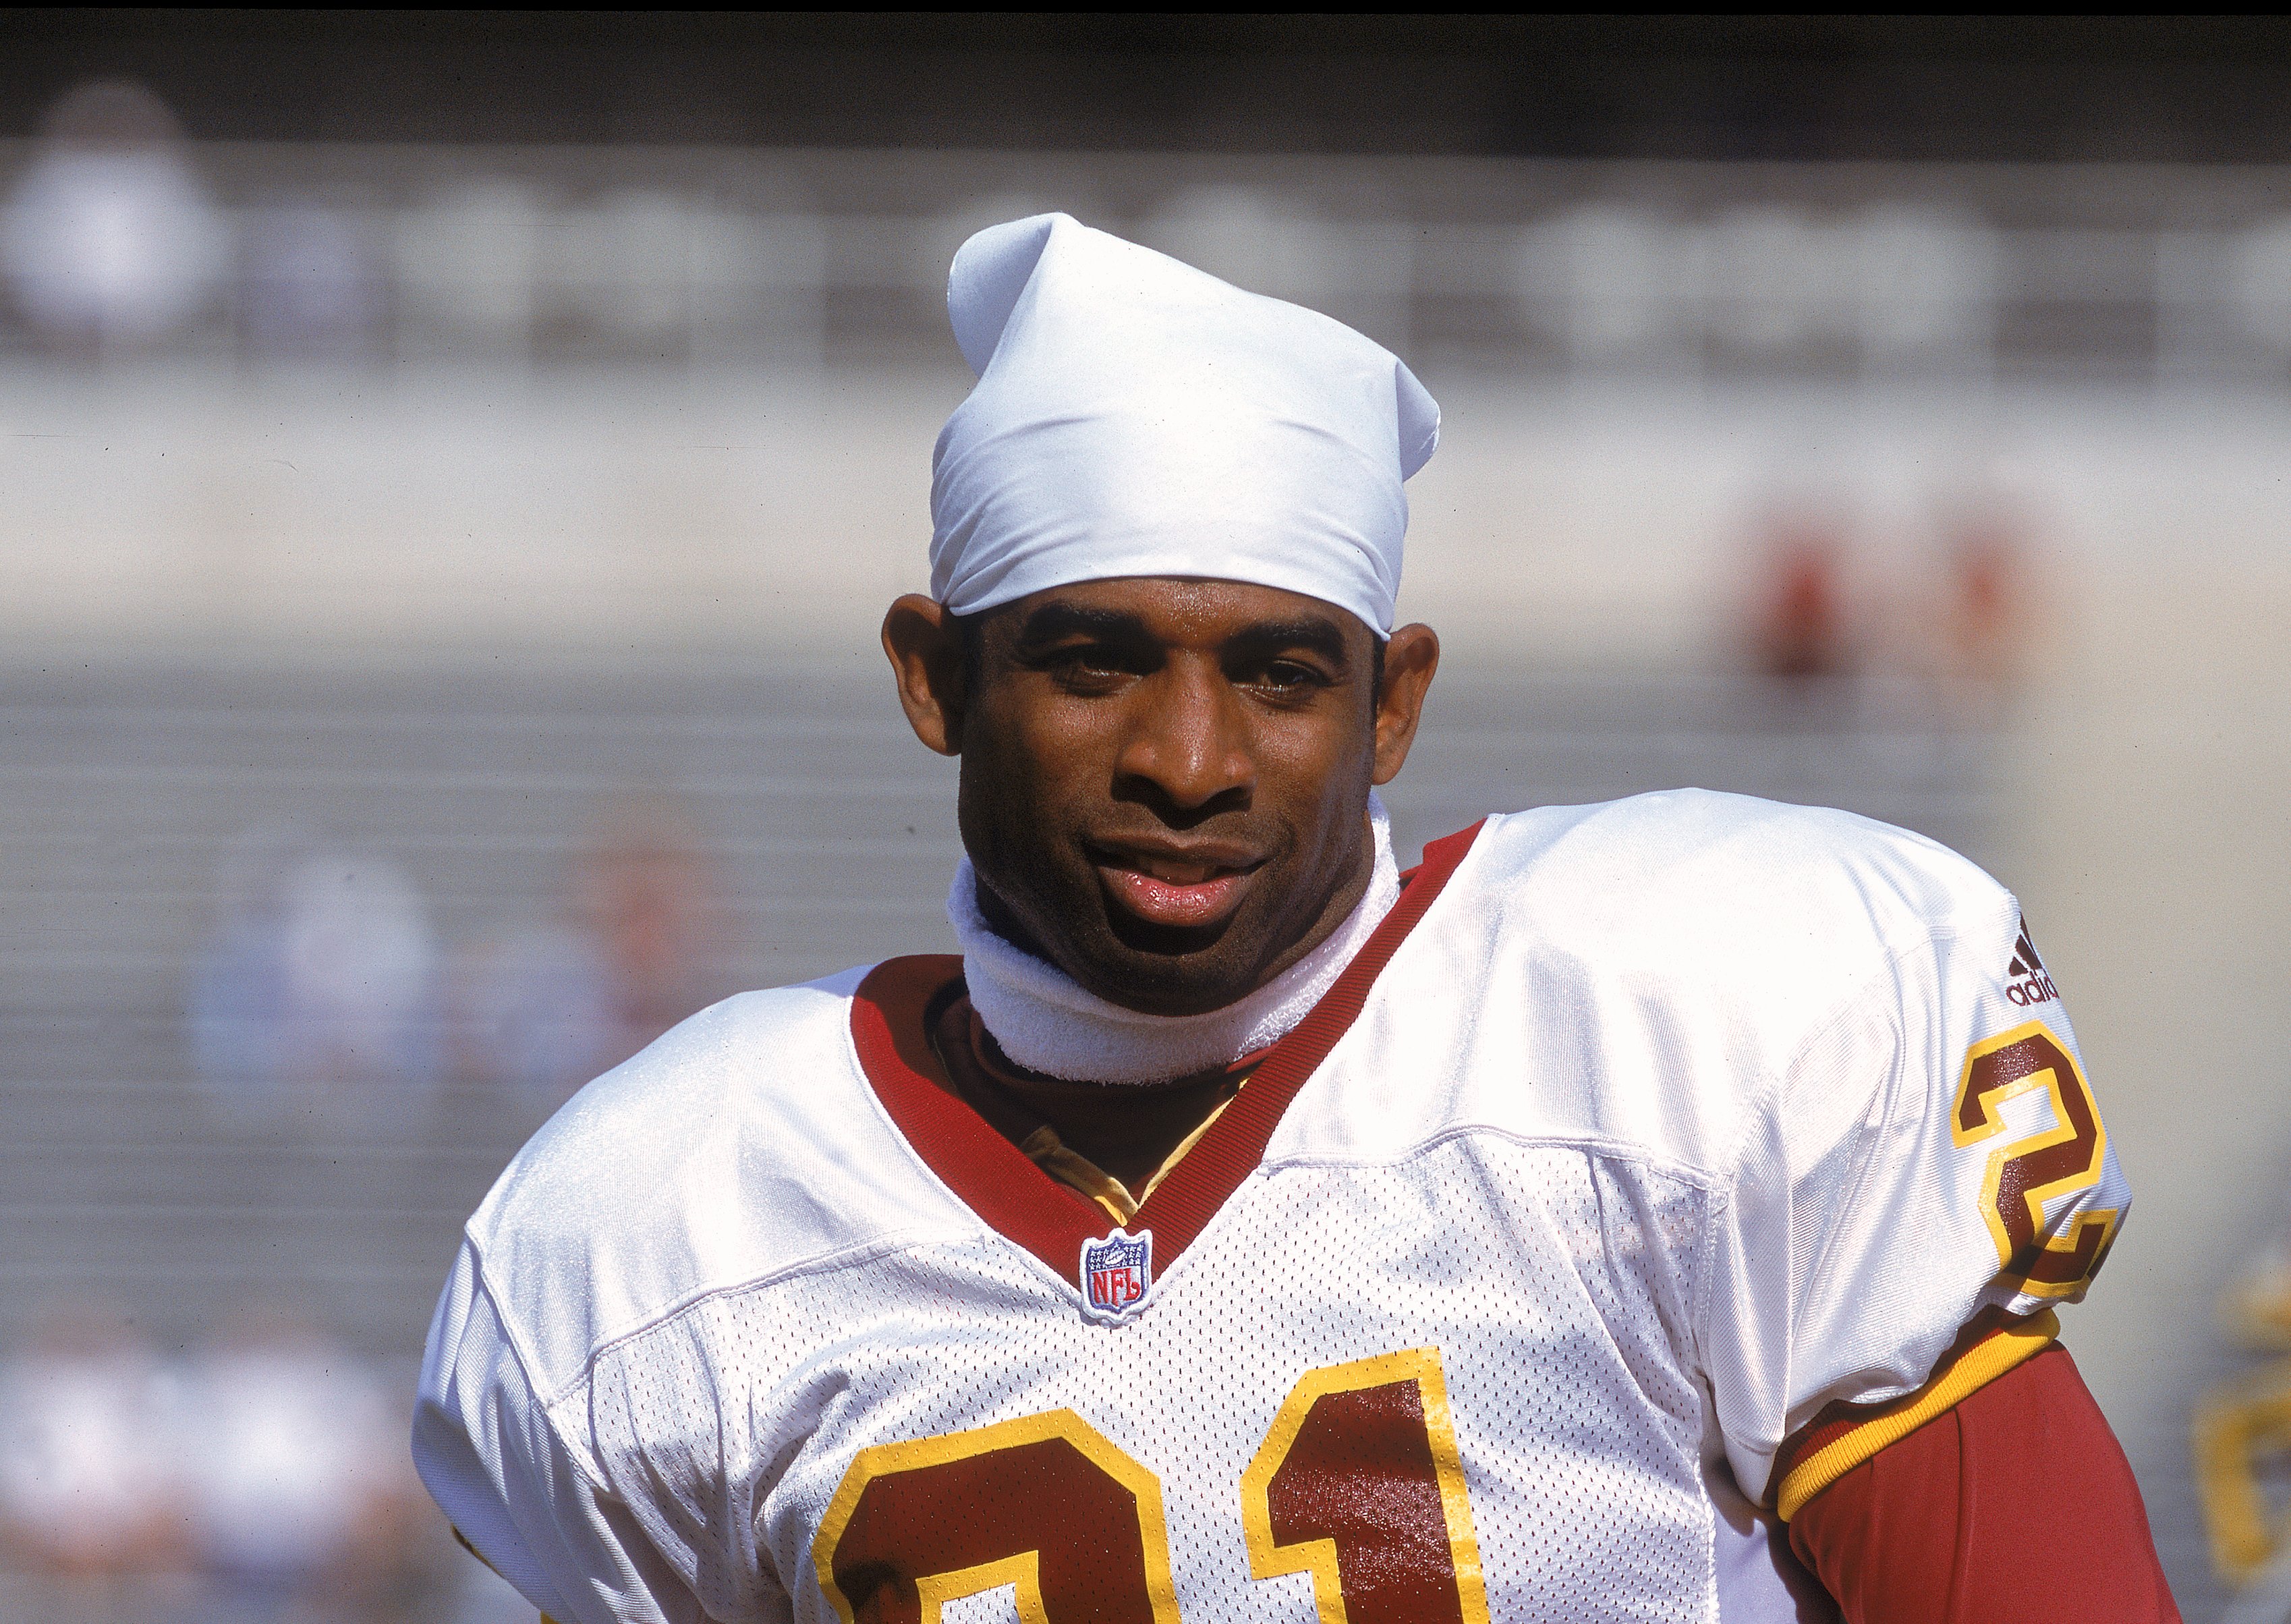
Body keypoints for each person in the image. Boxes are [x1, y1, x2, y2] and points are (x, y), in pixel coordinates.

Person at [413, 214, 2175, 1623]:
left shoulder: (1679, 1025)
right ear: (936, 679)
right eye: (1094, 664)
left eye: (1274, 677)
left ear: (1389, 706)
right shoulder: (665, 1242)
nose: (1187, 760)